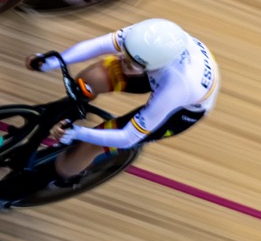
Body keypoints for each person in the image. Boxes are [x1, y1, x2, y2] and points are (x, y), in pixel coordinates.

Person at [26, 18, 219, 182]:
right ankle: (69, 110)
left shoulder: (177, 86)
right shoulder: (144, 37)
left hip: (181, 110)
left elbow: (128, 138)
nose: (121, 60)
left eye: (130, 63)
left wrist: (79, 133)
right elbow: (100, 45)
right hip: (154, 72)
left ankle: (43, 180)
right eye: (123, 54)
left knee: (91, 144)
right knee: (92, 78)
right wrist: (51, 61)